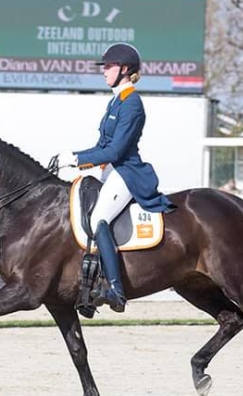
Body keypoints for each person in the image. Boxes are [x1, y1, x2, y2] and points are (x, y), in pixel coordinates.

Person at [56, 43, 175, 313]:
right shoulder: (116, 101)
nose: (104, 71)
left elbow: (116, 150)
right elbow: (101, 146)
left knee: (99, 220)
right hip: (109, 171)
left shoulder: (132, 103)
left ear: (124, 69)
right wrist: (74, 156)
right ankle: (88, 285)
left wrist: (77, 159)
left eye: (108, 67)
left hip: (126, 172)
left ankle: (115, 289)